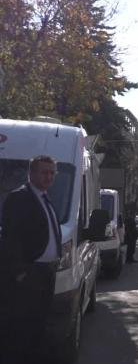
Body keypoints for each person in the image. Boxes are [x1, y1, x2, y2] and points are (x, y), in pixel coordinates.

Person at [0, 155, 62, 363]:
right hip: (30, 274)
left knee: (39, 325)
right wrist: (20, 272)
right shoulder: (20, 198)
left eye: (52, 172)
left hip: (46, 272)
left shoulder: (44, 197)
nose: (49, 177)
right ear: (32, 173)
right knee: (22, 329)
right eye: (44, 172)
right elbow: (11, 238)